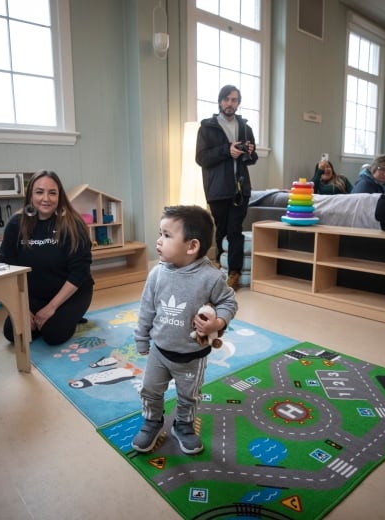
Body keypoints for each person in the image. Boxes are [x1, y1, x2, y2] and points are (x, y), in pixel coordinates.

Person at [131, 205, 237, 455]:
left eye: (167, 235)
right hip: (160, 351)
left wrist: (218, 323)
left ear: (192, 247)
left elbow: (229, 302)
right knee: (150, 389)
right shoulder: (157, 274)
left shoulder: (210, 277)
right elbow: (146, 309)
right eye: (160, 233)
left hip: (192, 356)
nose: (159, 240)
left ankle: (184, 425)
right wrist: (142, 338)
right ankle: (152, 421)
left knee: (189, 396)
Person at [0, 170, 93, 345]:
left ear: (60, 196)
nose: (46, 198)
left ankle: (70, 316)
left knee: (53, 335)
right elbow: (8, 269)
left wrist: (52, 308)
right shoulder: (15, 225)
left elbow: (80, 272)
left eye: (52, 193)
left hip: (71, 293)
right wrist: (22, 307)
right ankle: (49, 319)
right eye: (39, 192)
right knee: (13, 333)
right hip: (35, 295)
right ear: (30, 195)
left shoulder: (74, 225)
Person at [195, 85, 258, 291]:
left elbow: (252, 159)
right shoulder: (207, 127)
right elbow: (201, 158)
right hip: (218, 189)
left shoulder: (245, 127)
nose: (230, 104)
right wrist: (227, 150)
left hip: (241, 189)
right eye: (227, 99)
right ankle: (220, 266)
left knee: (235, 231)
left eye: (235, 100)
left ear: (238, 103)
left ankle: (234, 273)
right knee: (221, 230)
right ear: (220, 101)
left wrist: (249, 151)